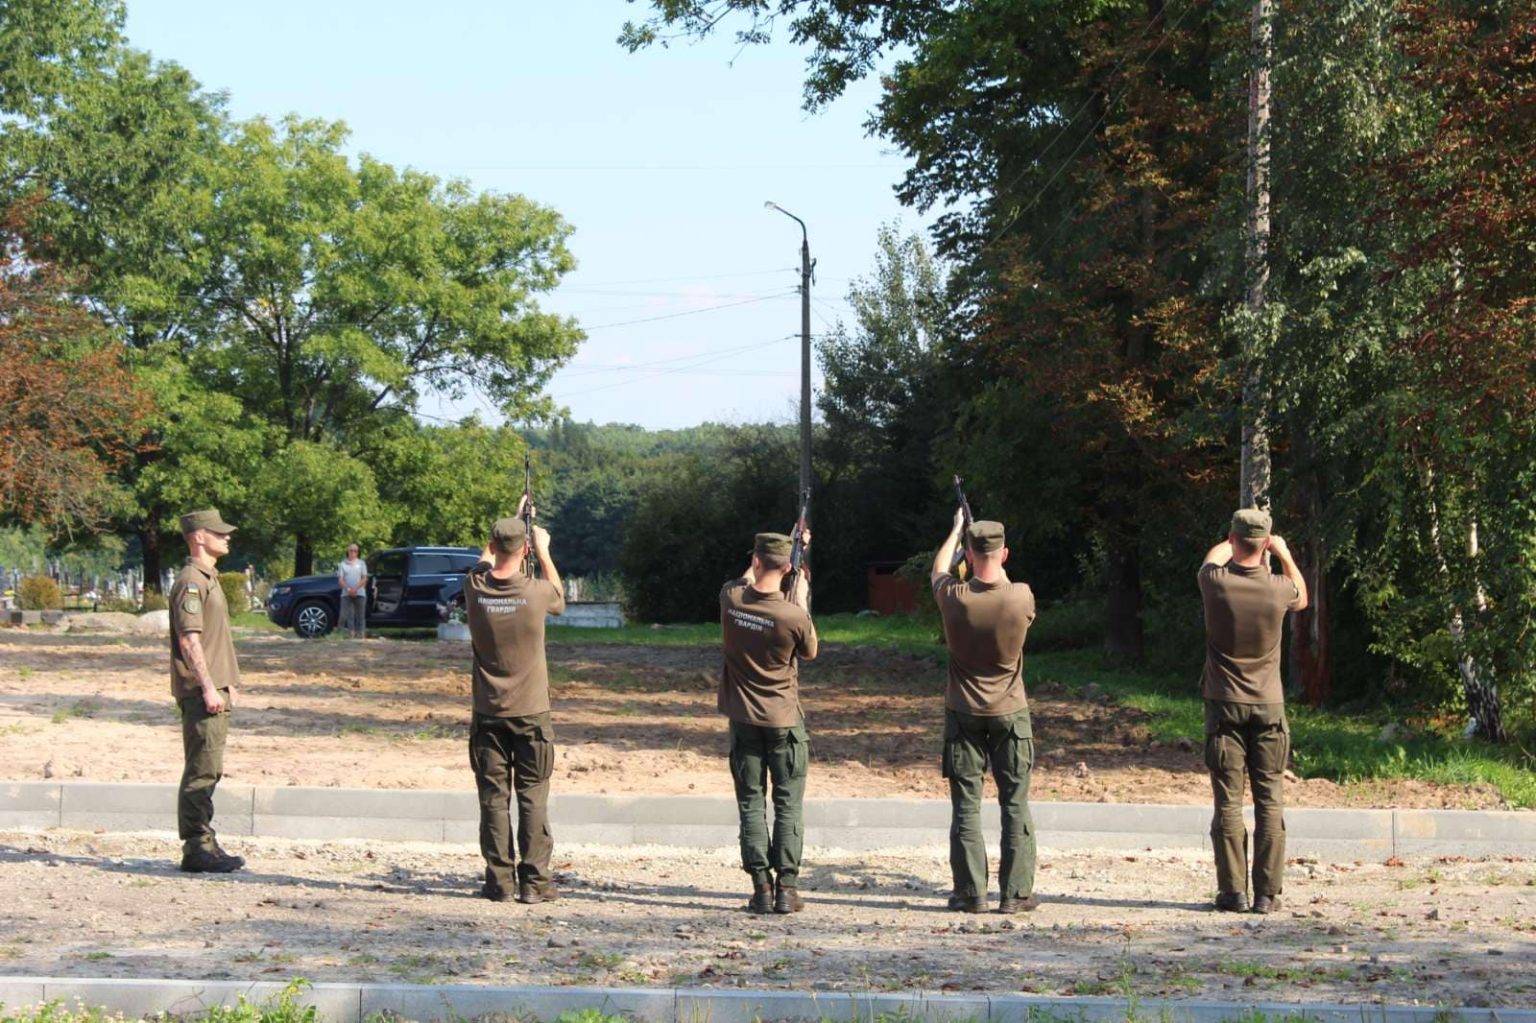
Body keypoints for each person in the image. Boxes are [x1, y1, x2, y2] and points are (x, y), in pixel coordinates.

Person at [1199, 508, 1308, 914]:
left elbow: (1211, 558)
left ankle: (1232, 893)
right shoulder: (1279, 588)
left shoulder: (1216, 584)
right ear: (1265, 543)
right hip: (1268, 707)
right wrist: (1283, 554)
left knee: (1228, 802)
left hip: (1224, 704)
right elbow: (1304, 594)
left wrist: (1231, 544)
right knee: (1270, 801)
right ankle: (1267, 894)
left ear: (1232, 539)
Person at [930, 513, 1039, 914]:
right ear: (1005, 553)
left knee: (966, 805)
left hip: (963, 712)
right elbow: (1005, 585)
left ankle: (970, 892)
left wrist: (956, 529)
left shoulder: (954, 597)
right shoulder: (1021, 595)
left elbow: (939, 569)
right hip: (1011, 711)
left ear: (970, 555)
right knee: (1014, 804)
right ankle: (1016, 894)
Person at [463, 502, 565, 903]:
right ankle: (535, 883)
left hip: (488, 711)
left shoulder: (475, 586)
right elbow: (559, 597)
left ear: (492, 545)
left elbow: (484, 558)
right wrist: (543, 548)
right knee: (533, 795)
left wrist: (512, 515)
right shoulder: (536, 591)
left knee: (493, 797)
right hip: (532, 713)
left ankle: (500, 882)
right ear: (525, 550)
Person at [718, 529, 818, 914]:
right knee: (788, 803)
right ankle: (787, 889)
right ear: (789, 568)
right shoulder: (792, 614)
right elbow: (810, 651)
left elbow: (745, 580)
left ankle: (760, 887)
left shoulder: (732, 599)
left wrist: (780, 547)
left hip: (744, 720)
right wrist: (802, 596)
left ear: (756, 561)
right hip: (784, 721)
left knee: (750, 803)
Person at [168, 508, 246, 874]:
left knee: (209, 768)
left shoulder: (207, 578)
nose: (226, 537)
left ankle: (206, 843)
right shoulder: (191, 582)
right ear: (199, 537)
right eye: (219, 533)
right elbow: (189, 641)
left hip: (215, 690)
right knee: (201, 770)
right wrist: (209, 687)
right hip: (203, 693)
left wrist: (227, 683)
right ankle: (197, 848)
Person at [337, 544, 368, 638]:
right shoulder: (342, 564)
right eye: (351, 550)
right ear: (348, 551)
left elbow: (364, 578)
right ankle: (346, 633)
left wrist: (355, 589)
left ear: (358, 552)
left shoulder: (362, 563)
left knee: (360, 615)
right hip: (346, 594)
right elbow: (340, 580)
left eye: (355, 551)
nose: (353, 552)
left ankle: (361, 633)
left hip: (360, 593)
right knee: (345, 615)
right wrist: (349, 589)